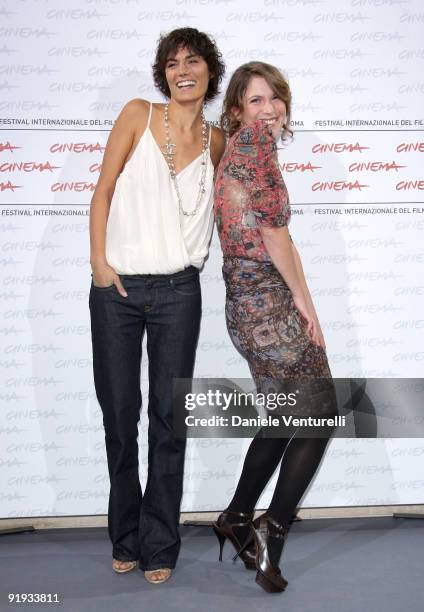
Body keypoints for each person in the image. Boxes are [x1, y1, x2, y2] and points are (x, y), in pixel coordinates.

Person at [89, 27, 225, 584]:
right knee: (121, 416)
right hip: (117, 291)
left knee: (170, 422)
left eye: (192, 60)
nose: (182, 70)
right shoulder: (138, 114)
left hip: (179, 293)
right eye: (172, 63)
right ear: (162, 74)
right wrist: (100, 263)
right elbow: (103, 188)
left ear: (209, 71)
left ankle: (160, 543)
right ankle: (125, 536)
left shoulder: (218, 142)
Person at [212, 62, 338, 593]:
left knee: (288, 415)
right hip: (268, 306)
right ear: (237, 111)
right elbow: (274, 235)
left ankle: (238, 517)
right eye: (255, 101)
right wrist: (306, 305)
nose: (269, 110)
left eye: (275, 99)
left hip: (245, 305)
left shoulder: (238, 149)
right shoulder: (254, 148)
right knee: (320, 413)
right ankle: (271, 529)